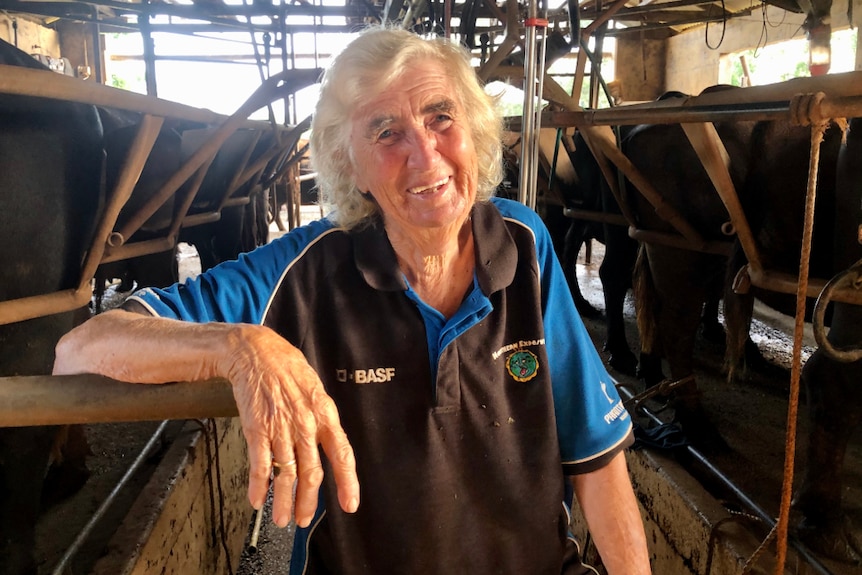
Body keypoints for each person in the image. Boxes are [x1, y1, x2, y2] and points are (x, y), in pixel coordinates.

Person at [54, 26, 651, 575]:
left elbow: (596, 460)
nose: (425, 155)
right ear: (351, 167)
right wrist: (239, 347)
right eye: (386, 132)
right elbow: (81, 348)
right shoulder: (306, 272)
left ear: (473, 131)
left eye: (441, 117)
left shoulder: (525, 245)